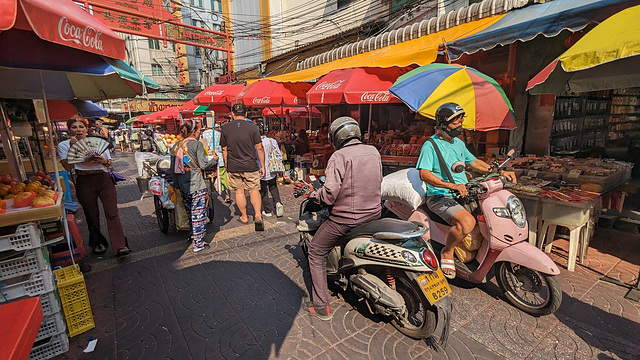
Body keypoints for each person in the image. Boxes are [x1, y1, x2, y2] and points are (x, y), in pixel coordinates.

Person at [416, 103, 517, 279]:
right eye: (456, 123)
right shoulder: (430, 146)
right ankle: (447, 251)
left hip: (465, 193)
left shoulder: (459, 143)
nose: (460, 126)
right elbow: (424, 174)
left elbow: (475, 163)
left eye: (461, 122)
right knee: (467, 223)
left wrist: (500, 172)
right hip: (440, 195)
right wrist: (451, 185)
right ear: (443, 124)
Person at [303, 116, 383, 320]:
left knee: (315, 251)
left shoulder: (339, 157)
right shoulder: (373, 151)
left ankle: (321, 306)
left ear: (336, 137)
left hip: (347, 219)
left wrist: (313, 194)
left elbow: (329, 194)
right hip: (374, 213)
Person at [59, 115, 129, 257]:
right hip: (84, 181)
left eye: (81, 126)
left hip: (103, 179)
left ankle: (120, 245)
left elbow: (109, 164)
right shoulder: (64, 145)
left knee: (112, 213)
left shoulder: (98, 142)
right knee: (91, 214)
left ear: (86, 129)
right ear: (69, 129)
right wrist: (73, 149)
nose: (78, 130)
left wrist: (104, 161)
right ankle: (97, 242)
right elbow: (67, 167)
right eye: (74, 127)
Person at [169, 119, 217, 252]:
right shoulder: (197, 145)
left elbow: (172, 169)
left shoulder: (175, 146)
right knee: (199, 215)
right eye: (199, 131)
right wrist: (214, 159)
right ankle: (198, 243)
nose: (200, 133)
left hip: (183, 186)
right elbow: (203, 165)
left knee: (190, 213)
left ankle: (192, 236)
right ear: (194, 132)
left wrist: (177, 185)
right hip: (196, 185)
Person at [221, 103, 266, 231]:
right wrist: (262, 165)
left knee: (239, 191)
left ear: (232, 114)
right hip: (250, 165)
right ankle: (258, 215)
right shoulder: (253, 128)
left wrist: (226, 165)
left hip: (233, 165)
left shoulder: (225, 128)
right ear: (246, 114)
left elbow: (224, 149)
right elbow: (260, 148)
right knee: (254, 190)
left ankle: (244, 217)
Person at [257, 121, 284, 218]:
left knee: (263, 190)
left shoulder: (256, 143)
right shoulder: (271, 141)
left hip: (260, 169)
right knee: (273, 187)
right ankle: (278, 203)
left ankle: (268, 210)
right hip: (272, 168)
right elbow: (279, 155)